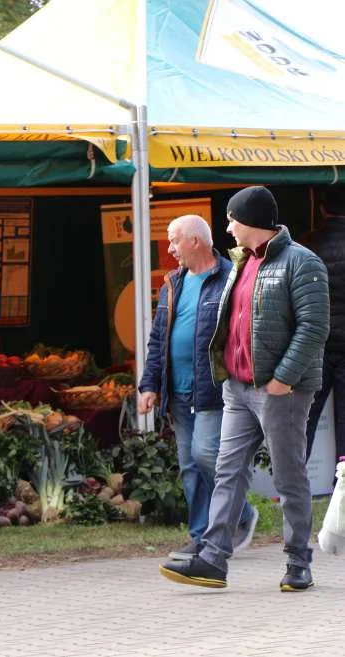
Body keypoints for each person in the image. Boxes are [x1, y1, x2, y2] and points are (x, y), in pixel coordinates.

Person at [160, 186, 330, 591]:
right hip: (237, 388)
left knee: (289, 478)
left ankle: (297, 563)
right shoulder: (242, 262)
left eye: (231, 219)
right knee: (227, 472)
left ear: (249, 220)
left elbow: (313, 327)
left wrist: (283, 379)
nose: (228, 227)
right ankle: (213, 560)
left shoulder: (301, 263)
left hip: (280, 391)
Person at [138, 214, 258, 562]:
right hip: (178, 390)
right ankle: (203, 535)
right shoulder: (172, 284)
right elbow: (158, 339)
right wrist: (149, 385)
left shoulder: (229, 279)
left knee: (207, 455)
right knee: (190, 464)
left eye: (175, 240)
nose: (170, 248)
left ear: (195, 241)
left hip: (215, 388)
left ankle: (235, 515)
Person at [300, 188, 345, 472]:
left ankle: (291, 483)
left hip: (317, 345)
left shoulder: (306, 245)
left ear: (322, 210)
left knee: (305, 416)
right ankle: (342, 485)